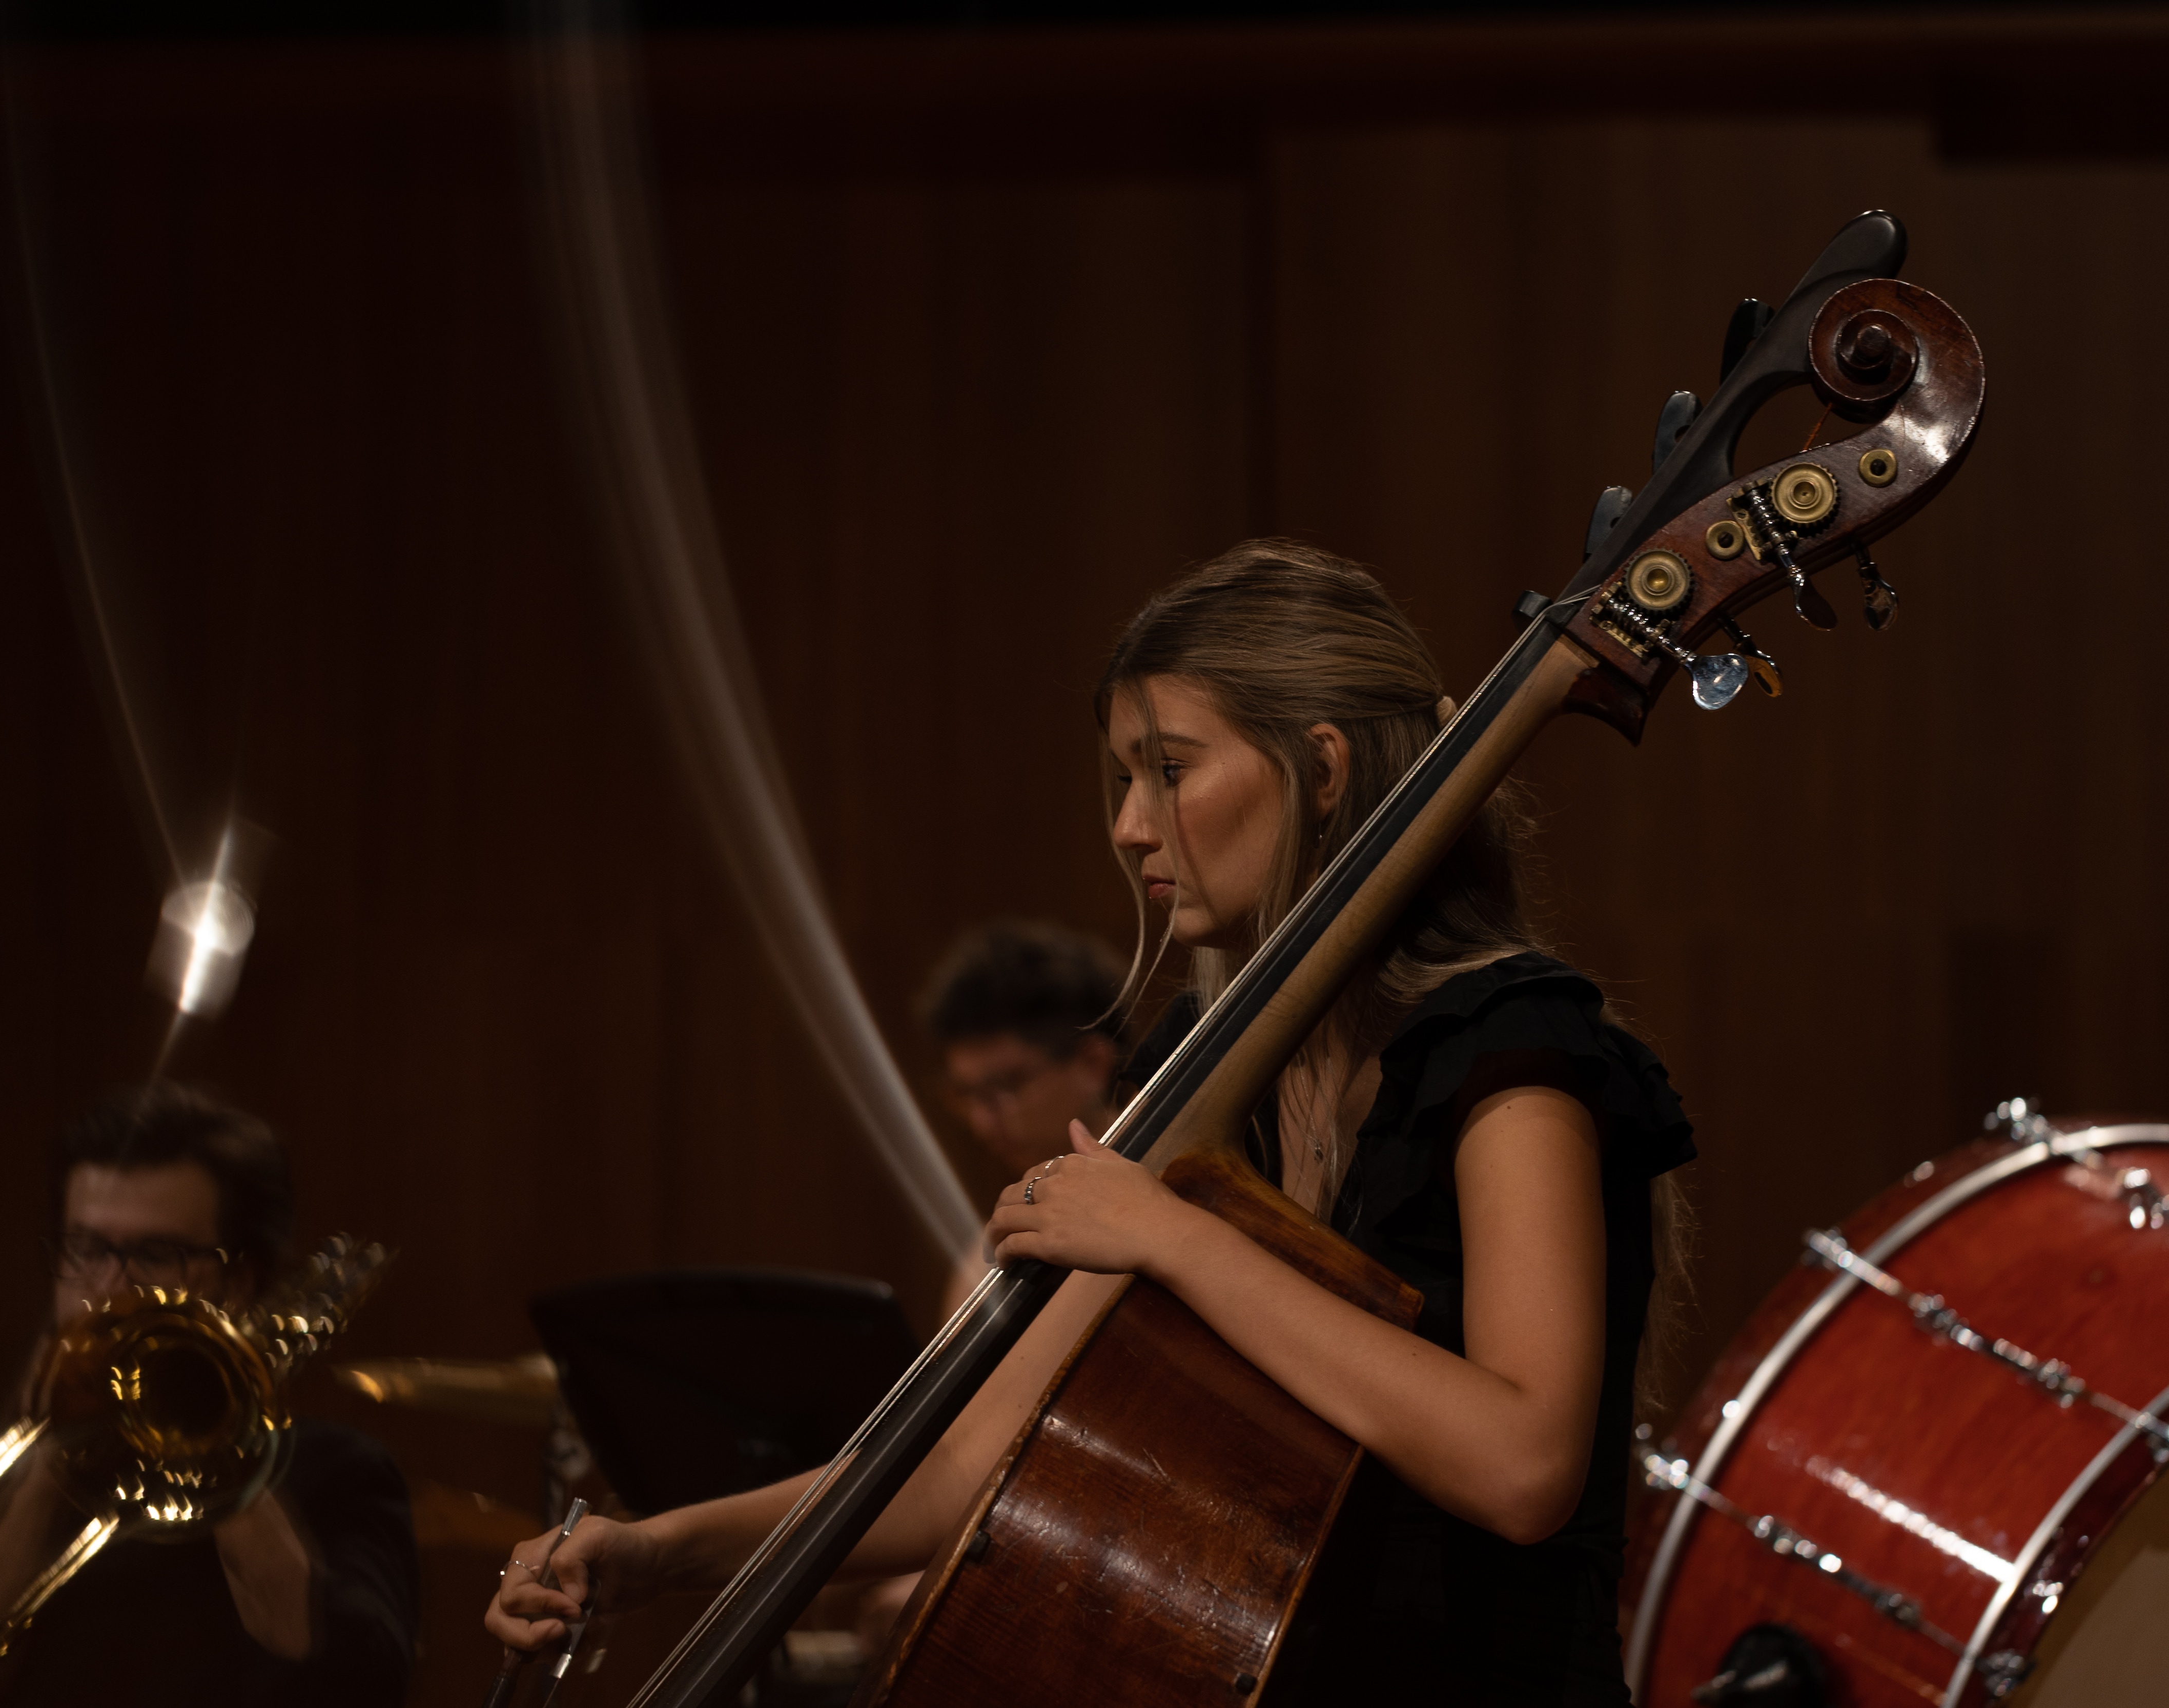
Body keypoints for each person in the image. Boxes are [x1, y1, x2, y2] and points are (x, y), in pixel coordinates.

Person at [487, 541, 1694, 1705]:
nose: (1127, 824)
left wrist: (1174, 1238)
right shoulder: (1204, 1070)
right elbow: (971, 1458)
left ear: (1322, 770)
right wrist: (658, 1552)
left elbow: (1524, 1464)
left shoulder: (1515, 1053)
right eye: (1124, 777)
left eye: (1167, 768)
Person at [0, 1084, 418, 1706]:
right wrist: (51, 1471)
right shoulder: (11, 1472)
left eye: (155, 1254)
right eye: (86, 1248)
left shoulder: (345, 1474)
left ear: (238, 1282)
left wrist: (211, 1440)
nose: (109, 1287)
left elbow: (356, 1690)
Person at [919, 920, 1127, 1315]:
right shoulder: (983, 1264)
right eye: (966, 1093)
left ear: (1091, 1063)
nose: (982, 1121)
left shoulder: (1169, 1208)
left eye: (1005, 1085)